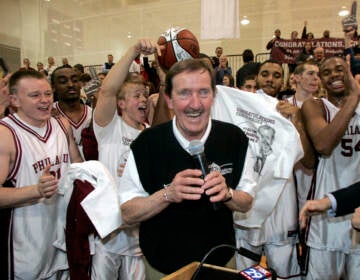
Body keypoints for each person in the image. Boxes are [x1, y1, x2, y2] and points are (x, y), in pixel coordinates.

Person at [119, 56, 254, 278]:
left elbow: (247, 201)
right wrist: (167, 194)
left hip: (220, 264)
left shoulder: (234, 138)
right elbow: (127, 214)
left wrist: (228, 194)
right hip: (162, 268)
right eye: (184, 93)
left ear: (214, 96)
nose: (195, 104)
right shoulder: (147, 144)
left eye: (203, 92)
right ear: (169, 99)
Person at [235, 59, 315, 279]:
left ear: (285, 80)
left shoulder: (292, 110)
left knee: (284, 271)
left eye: (276, 75)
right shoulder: (241, 107)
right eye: (265, 74)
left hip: (282, 201)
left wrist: (296, 120)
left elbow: (308, 162)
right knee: (245, 273)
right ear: (257, 77)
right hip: (249, 201)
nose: (270, 79)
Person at [0, 70, 82, 279]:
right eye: (35, 95)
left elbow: (80, 168)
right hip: (27, 250)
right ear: (14, 100)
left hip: (62, 242)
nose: (45, 100)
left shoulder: (62, 126)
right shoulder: (6, 134)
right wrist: (35, 190)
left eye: (47, 93)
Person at [92, 39, 155, 280]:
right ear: (121, 103)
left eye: (145, 94)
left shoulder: (149, 135)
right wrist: (133, 52)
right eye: (136, 95)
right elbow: (107, 90)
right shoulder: (109, 128)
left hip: (137, 236)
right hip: (107, 236)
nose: (143, 100)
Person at [301, 56, 360, 279]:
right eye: (326, 72)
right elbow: (324, 145)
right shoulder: (315, 106)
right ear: (321, 81)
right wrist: (354, 97)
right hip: (326, 215)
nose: (334, 75)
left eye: (339, 69)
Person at [51, 65, 93, 159]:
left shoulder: (93, 114)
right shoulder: (47, 115)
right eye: (63, 81)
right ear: (53, 87)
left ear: (80, 84)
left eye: (75, 80)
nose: (71, 85)